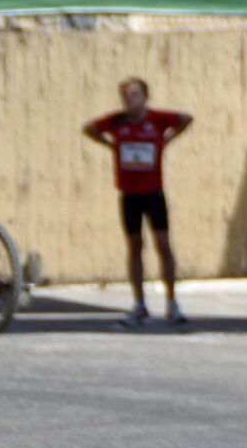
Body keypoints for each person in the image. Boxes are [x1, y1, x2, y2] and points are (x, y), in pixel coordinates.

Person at [82, 77, 192, 327]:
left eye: (135, 94)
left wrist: (167, 140)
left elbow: (186, 119)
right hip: (129, 193)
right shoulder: (117, 121)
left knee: (163, 243)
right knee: (134, 245)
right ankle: (139, 303)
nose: (130, 100)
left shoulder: (156, 119)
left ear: (145, 96)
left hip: (153, 191)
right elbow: (89, 128)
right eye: (126, 95)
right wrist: (110, 145)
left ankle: (172, 302)